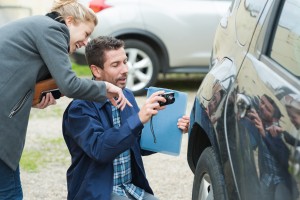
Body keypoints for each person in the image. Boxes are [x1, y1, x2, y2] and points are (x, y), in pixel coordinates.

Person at [0, 1, 131, 199]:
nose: (86, 42)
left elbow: (20, 78)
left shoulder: (38, 27)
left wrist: (33, 98)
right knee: (10, 193)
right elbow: (69, 84)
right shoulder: (53, 29)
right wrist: (105, 88)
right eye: (86, 33)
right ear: (69, 21)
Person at [62, 36, 190, 200]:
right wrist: (138, 119)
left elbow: (138, 145)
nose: (125, 69)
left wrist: (174, 128)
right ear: (96, 70)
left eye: (125, 61)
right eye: (115, 65)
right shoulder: (79, 108)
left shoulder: (127, 95)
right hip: (99, 192)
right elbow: (100, 150)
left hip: (130, 188)